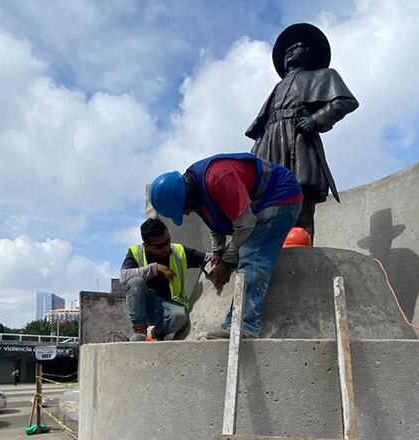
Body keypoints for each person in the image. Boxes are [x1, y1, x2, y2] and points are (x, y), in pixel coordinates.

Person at [149, 153, 302, 338]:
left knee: (252, 255)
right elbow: (215, 224)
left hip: (280, 197)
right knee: (241, 250)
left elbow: (245, 225)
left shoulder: (218, 178)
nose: (186, 213)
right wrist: (218, 253)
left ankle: (245, 325)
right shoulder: (195, 191)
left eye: (183, 209)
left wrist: (227, 263)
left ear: (184, 198)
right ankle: (237, 322)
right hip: (254, 209)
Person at [246, 23, 359, 240]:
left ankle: (301, 244)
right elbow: (261, 126)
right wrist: (253, 159)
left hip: (297, 140)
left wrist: (316, 119)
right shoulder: (277, 89)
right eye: (287, 48)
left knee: (300, 197)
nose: (289, 50)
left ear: (308, 54)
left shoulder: (324, 76)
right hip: (270, 144)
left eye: (296, 46)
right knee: (265, 200)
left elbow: (345, 101)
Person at [120, 218, 214, 341]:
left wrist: (226, 259)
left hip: (168, 308)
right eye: (159, 246)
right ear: (146, 246)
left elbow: (207, 258)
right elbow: (123, 277)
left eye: (167, 242)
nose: (165, 248)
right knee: (135, 282)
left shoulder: (178, 251)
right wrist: (155, 268)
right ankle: (139, 330)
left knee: (179, 317)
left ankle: (157, 332)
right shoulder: (136, 252)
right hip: (144, 307)